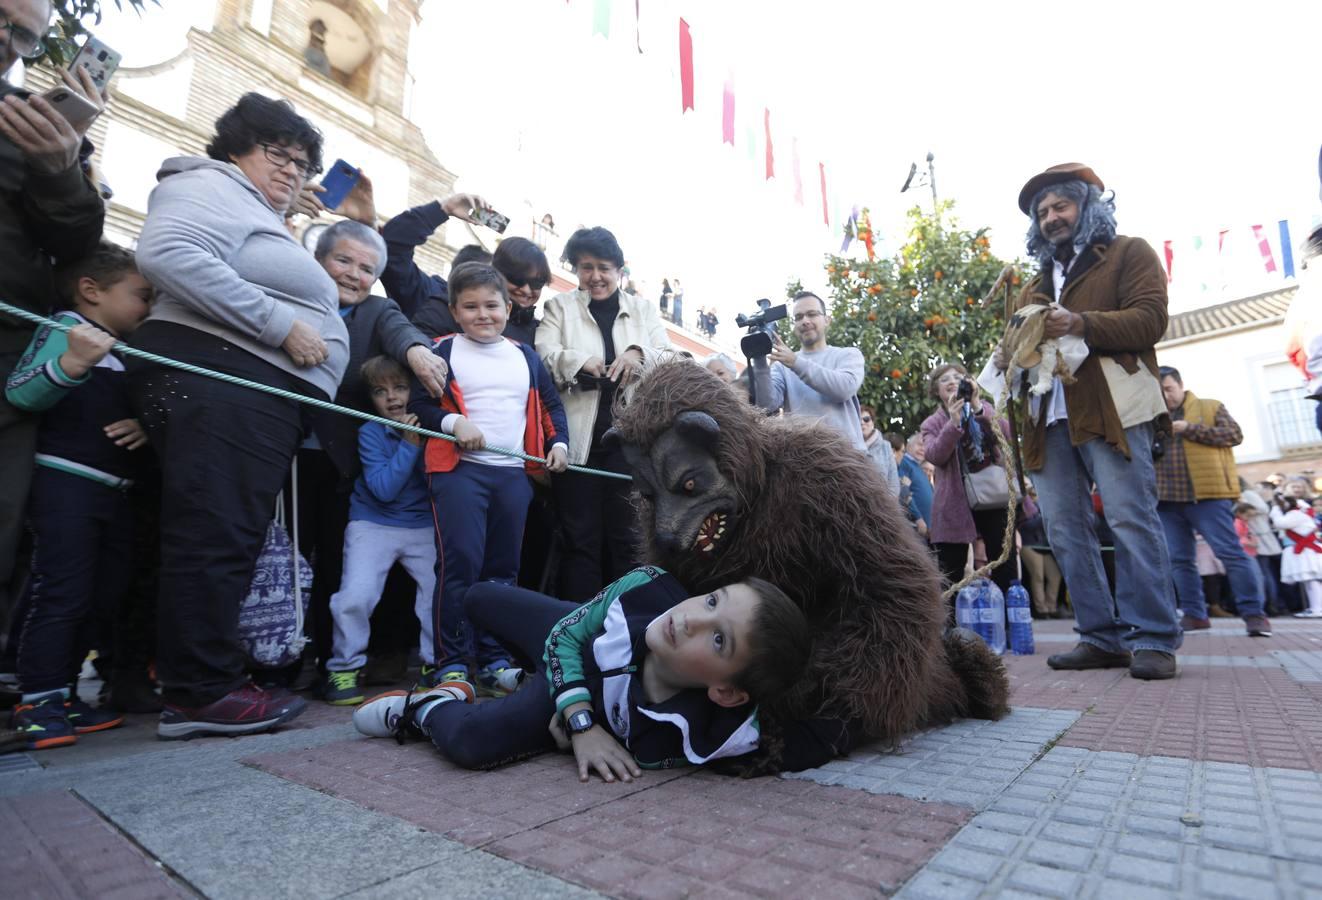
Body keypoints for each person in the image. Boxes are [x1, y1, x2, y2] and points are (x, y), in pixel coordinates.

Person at [126, 92, 346, 738]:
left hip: (246, 391)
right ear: (233, 150)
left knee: (224, 534)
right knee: (214, 535)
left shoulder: (253, 208)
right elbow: (169, 255)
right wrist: (281, 326)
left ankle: (199, 680)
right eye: (276, 153)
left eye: (302, 164)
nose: (290, 171)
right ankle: (201, 691)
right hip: (220, 380)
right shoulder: (207, 185)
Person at [351, 566, 811, 781]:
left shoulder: (700, 736)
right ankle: (514, 674)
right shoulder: (647, 588)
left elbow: (820, 735)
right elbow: (564, 639)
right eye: (712, 600)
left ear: (726, 692)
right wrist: (582, 724)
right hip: (574, 639)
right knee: (478, 597)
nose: (692, 619)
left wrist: (573, 728)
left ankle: (428, 705)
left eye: (718, 640)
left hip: (570, 699)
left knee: (473, 744)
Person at [992, 162, 1179, 680]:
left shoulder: (1128, 253)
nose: (1052, 217)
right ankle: (1100, 637)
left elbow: (1151, 319)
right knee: (1066, 531)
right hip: (1046, 419)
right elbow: (1016, 346)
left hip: (1112, 411)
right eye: (1043, 212)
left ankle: (1156, 639)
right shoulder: (1034, 283)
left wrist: (1081, 323)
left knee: (1128, 520)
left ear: (1087, 206)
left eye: (1061, 206)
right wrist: (1008, 356)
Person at [4, 242, 151, 749]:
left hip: (116, 492)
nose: (147, 307)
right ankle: (37, 699)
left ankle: (65, 692)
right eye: (140, 295)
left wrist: (143, 426)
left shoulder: (125, 352)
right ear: (91, 291)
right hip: (65, 483)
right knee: (61, 590)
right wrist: (70, 363)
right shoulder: (63, 330)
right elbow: (21, 392)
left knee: (100, 595)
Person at [295, 220, 448, 678]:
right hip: (288, 448)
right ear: (318, 260)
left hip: (341, 455)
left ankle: (329, 661)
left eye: (366, 268)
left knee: (335, 566)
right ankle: (279, 661)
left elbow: (402, 332)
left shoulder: (376, 310)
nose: (353, 274)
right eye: (343, 260)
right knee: (290, 554)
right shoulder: (296, 298)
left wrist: (419, 355)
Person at [408, 263, 569, 692]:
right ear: (454, 311)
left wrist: (559, 446)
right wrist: (454, 423)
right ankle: (452, 663)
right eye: (471, 306)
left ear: (508, 306)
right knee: (460, 564)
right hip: (459, 474)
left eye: (491, 305)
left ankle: (495, 660)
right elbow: (418, 407)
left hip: (513, 477)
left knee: (503, 571)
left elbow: (551, 407)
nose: (483, 314)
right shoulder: (441, 350)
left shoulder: (526, 356)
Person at [0, 0, 107, 617]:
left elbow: (73, 246)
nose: (8, 41)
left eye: (24, 35)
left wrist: (63, 170)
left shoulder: (25, 124)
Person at [536, 227, 671, 601]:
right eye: (586, 267)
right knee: (580, 543)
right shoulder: (558, 308)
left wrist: (637, 353)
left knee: (628, 542)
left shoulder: (644, 310)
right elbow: (544, 355)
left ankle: (622, 630)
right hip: (577, 446)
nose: (595, 276)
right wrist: (580, 362)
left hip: (630, 447)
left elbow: (673, 358)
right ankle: (578, 629)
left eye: (604, 268)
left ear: (620, 269)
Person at [319, 357, 437, 705]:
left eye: (400, 387)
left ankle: (437, 664)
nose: (392, 397)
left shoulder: (434, 427)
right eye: (380, 391)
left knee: (439, 594)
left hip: (422, 524)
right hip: (373, 522)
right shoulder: (371, 431)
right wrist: (410, 445)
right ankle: (343, 668)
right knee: (355, 595)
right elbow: (383, 489)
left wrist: (421, 440)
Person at [1154, 366, 1269, 636]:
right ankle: (1195, 615)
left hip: (1208, 495)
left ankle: (1254, 614)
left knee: (1230, 553)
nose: (1165, 396)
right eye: (1159, 392)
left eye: (1169, 389)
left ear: (1181, 385)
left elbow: (1234, 435)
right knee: (1180, 560)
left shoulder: (1210, 406)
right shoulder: (1151, 417)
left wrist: (1189, 429)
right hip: (1166, 499)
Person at [920, 364, 1018, 605]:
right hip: (955, 502)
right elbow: (934, 455)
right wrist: (953, 423)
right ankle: (949, 633)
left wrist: (976, 407)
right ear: (936, 390)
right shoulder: (932, 423)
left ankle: (1006, 624)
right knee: (950, 568)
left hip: (994, 496)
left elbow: (1005, 434)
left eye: (958, 377)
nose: (953, 381)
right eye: (945, 380)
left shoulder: (983, 409)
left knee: (1003, 561)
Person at [762, 292, 867, 452]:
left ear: (827, 320)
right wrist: (758, 359)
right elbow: (767, 405)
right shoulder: (782, 364)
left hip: (849, 462)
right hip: (803, 463)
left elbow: (844, 389)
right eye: (798, 317)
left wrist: (795, 363)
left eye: (812, 314)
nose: (805, 321)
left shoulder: (848, 354)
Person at [1269, 479, 1322, 617]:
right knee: (1308, 581)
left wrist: (1275, 509)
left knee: (1311, 580)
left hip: (1306, 550)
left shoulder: (1297, 513)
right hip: (1301, 549)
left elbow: (1281, 523)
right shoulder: (1297, 512)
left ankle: (1317, 608)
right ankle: (1315, 607)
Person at [1237, 479, 1283, 615]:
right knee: (1264, 573)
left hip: (1258, 537)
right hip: (1254, 535)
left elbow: (1262, 509)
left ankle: (1270, 604)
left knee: (1263, 573)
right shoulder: (1248, 494)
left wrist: (1244, 510)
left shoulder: (1247, 494)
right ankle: (1269, 604)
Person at [888, 432, 932, 539]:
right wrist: (918, 518)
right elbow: (904, 492)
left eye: (926, 446)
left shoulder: (917, 466)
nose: (923, 449)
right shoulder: (904, 462)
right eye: (920, 444)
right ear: (909, 445)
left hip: (926, 530)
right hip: (915, 527)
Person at [859, 404, 899, 496]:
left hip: (882, 505)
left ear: (872, 422)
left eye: (866, 419)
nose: (862, 422)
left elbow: (894, 483)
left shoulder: (886, 446)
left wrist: (887, 504)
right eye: (858, 419)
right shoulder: (848, 445)